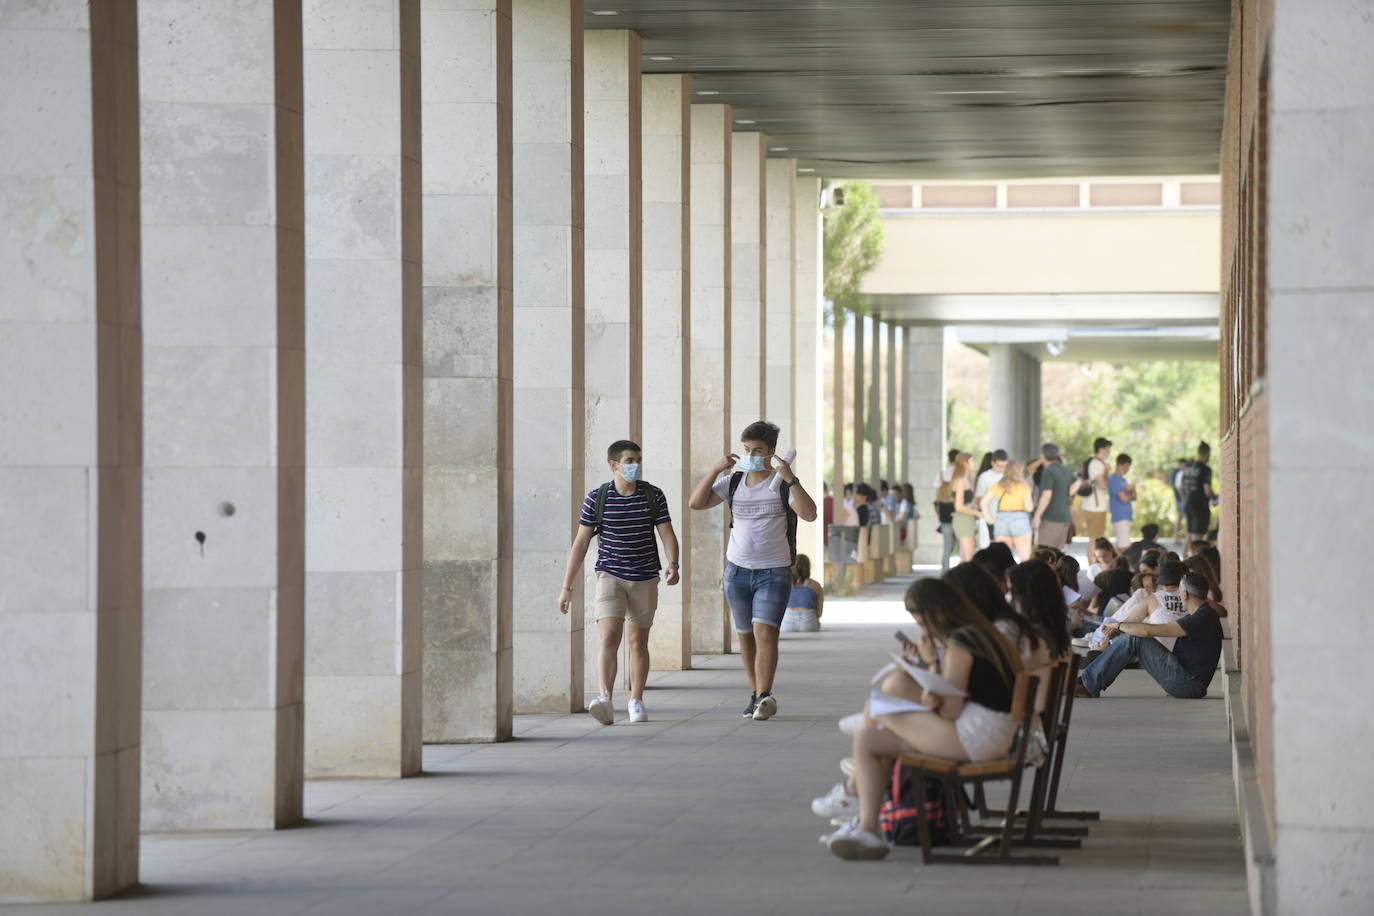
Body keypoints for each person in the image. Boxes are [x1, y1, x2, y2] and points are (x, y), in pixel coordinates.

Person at [815, 578, 1022, 860]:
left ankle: (856, 802)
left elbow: (950, 710)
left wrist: (930, 692)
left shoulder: (961, 642)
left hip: (975, 736)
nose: (924, 631)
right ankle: (865, 826)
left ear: (937, 613)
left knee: (878, 708)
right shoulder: (983, 633)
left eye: (923, 623)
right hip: (991, 731)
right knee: (870, 738)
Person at [688, 420, 818, 721]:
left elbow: (810, 514)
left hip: (773, 570)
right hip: (736, 571)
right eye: (746, 449)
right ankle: (755, 693)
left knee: (765, 633)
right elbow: (695, 503)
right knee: (745, 636)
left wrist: (792, 479)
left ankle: (764, 694)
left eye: (757, 450)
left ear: (771, 452)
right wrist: (716, 470)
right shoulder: (733, 482)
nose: (750, 455)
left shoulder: (782, 483)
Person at [560, 440, 680, 725]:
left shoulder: (653, 495)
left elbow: (667, 533)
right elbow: (580, 542)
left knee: (639, 642)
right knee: (609, 636)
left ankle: (636, 700)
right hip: (609, 575)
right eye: (629, 460)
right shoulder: (597, 497)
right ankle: (605, 699)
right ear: (614, 465)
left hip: (645, 577)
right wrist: (567, 586)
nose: (635, 465)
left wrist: (673, 564)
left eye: (638, 459)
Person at [1077, 572, 1224, 699]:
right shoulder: (1204, 614)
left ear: (1185, 594)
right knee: (1135, 637)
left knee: (1135, 639)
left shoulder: (1202, 618)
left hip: (1189, 686)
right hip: (1187, 680)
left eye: (1179, 592)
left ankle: (1087, 685)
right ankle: (1086, 682)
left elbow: (1149, 631)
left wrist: (1119, 625)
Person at [981, 461, 1035, 561]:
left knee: (1003, 559)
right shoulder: (1024, 486)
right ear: (1019, 471)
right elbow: (1029, 508)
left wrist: (989, 519)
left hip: (1002, 520)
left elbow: (983, 502)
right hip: (1020, 520)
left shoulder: (999, 485)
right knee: (1025, 559)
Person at [1031, 443, 1075, 550]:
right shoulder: (1065, 470)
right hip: (1065, 517)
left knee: (1044, 552)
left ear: (1043, 456)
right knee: (1057, 553)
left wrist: (1037, 516)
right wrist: (1068, 495)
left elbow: (1046, 495)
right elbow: (1078, 482)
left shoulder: (1048, 471)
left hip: (1051, 517)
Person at [1178, 442, 1216, 540]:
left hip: (1188, 505)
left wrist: (1185, 500)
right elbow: (1207, 491)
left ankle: (1187, 554)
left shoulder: (1187, 467)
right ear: (1207, 453)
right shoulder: (1205, 469)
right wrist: (1215, 497)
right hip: (1200, 507)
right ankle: (1194, 555)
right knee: (1198, 539)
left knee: (1190, 536)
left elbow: (1181, 487)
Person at [1078, 437, 1113, 542]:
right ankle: (1092, 558)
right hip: (1095, 506)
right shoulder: (1096, 464)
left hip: (1093, 505)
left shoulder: (1095, 462)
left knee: (1095, 538)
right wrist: (1106, 471)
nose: (1109, 451)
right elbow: (1102, 485)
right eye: (1108, 449)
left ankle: (1092, 558)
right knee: (1096, 539)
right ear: (1102, 449)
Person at [780, 554, 825, 632]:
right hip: (809, 623)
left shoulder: (785, 583)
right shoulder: (816, 585)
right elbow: (819, 614)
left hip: (787, 623)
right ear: (808, 568)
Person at [950, 451, 981, 563]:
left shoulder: (967, 479)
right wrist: (977, 513)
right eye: (972, 461)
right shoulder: (960, 480)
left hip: (967, 518)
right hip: (963, 519)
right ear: (964, 463)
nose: (974, 463)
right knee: (969, 557)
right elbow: (959, 506)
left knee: (965, 557)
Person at [974, 449, 1008, 548]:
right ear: (992, 463)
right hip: (991, 516)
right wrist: (985, 516)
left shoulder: (1009, 475)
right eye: (999, 466)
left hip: (1007, 517)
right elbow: (979, 498)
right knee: (993, 546)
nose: (1002, 469)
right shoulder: (985, 477)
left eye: (1004, 466)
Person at [1107, 453, 1136, 549]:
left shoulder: (1123, 480)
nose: (1128, 469)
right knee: (1124, 546)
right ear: (1119, 465)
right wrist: (1129, 493)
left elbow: (1134, 497)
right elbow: (1123, 499)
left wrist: (1132, 489)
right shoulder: (1113, 479)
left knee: (1121, 545)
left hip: (1126, 516)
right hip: (1120, 516)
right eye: (1126, 466)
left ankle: (1117, 563)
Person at [1171, 457, 1190, 544]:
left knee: (1179, 518)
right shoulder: (1180, 473)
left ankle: (1176, 537)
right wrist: (1184, 499)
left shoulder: (1176, 472)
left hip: (1179, 499)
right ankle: (1185, 538)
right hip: (1182, 499)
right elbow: (1179, 487)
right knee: (1185, 518)